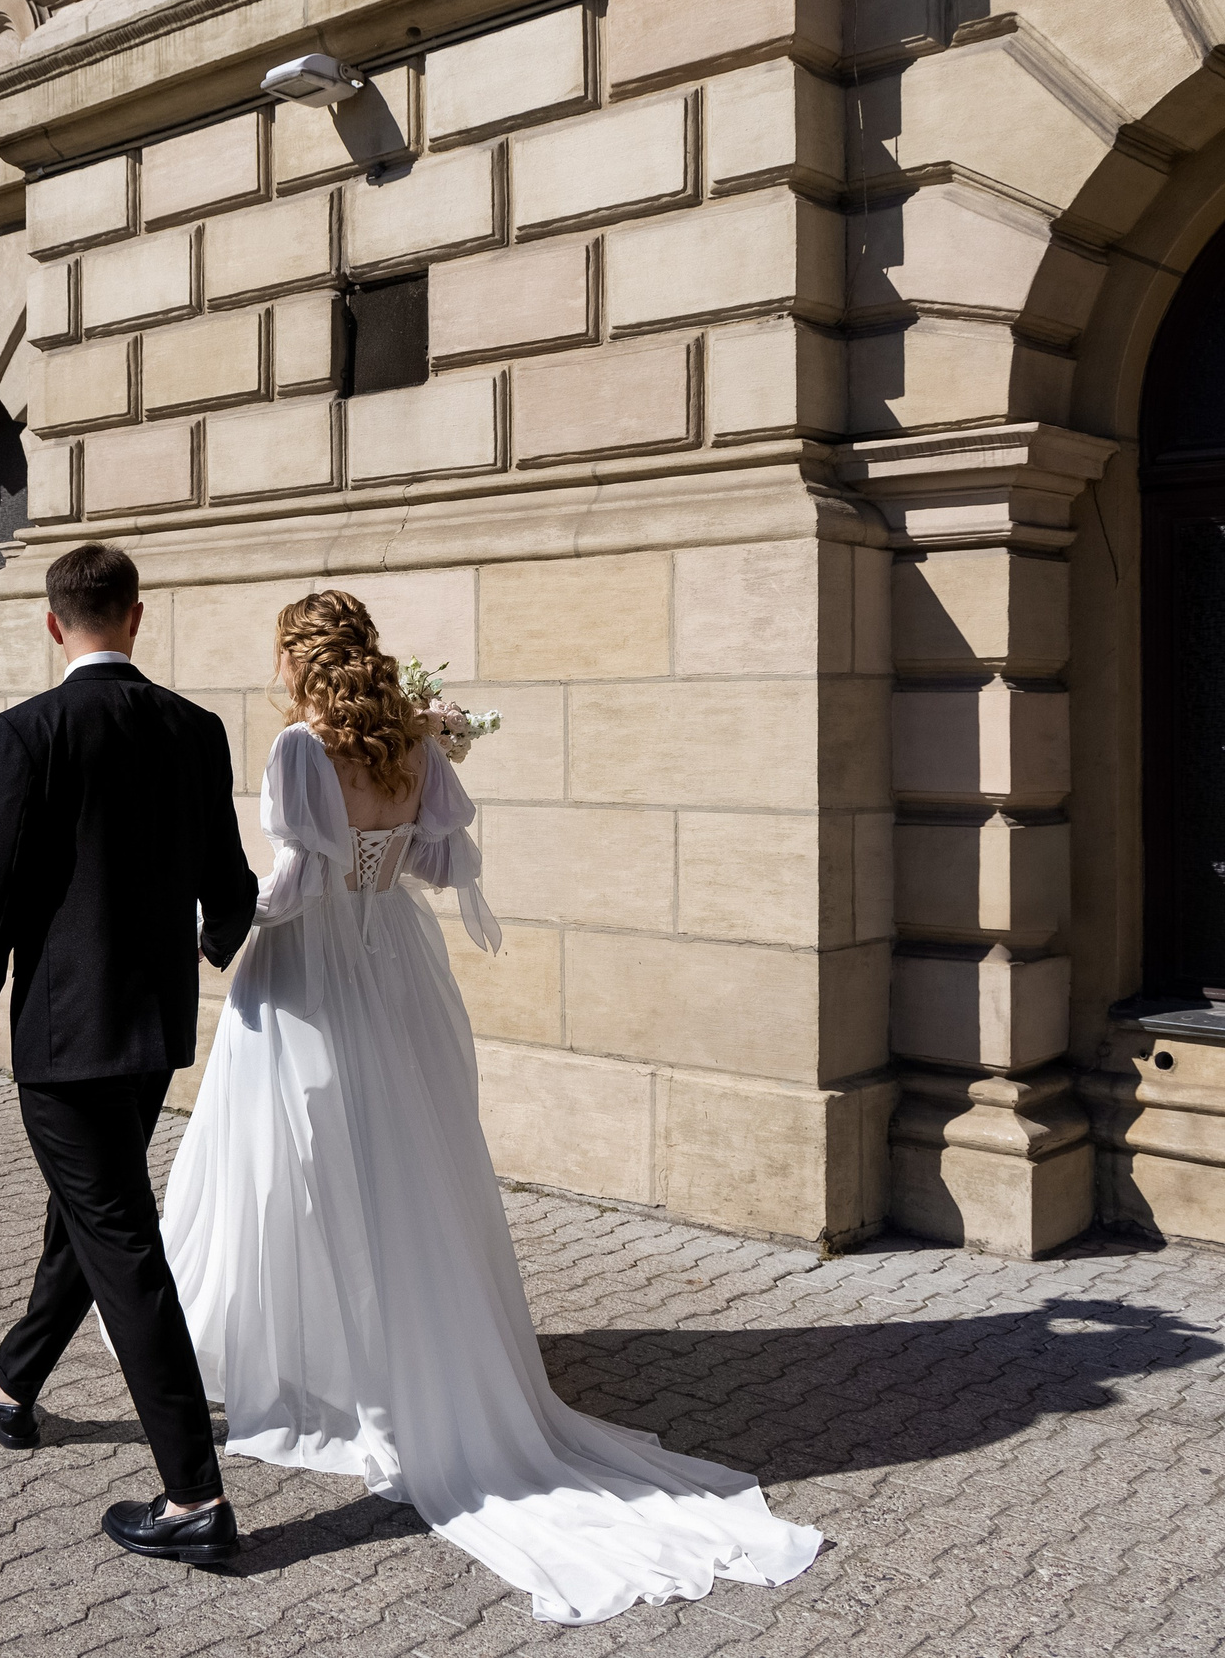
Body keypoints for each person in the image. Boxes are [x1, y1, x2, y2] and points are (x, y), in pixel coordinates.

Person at [160, 589, 824, 1624]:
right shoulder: (413, 745)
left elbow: (294, 884)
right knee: (403, 1169)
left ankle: (313, 1367)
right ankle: (386, 1356)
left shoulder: (298, 749)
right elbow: (437, 863)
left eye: (279, 651)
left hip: (312, 976)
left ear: (301, 656)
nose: (274, 668)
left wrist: (222, 909)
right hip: (398, 970)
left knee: (294, 1164)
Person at [0, 541, 258, 1566]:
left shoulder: (26, 732)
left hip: (65, 1036)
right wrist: (209, 944)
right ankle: (12, 1384)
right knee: (89, 1212)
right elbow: (232, 886)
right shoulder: (195, 728)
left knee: (121, 1240)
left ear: (51, 623)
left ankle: (193, 1495)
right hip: (152, 1030)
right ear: (135, 616)